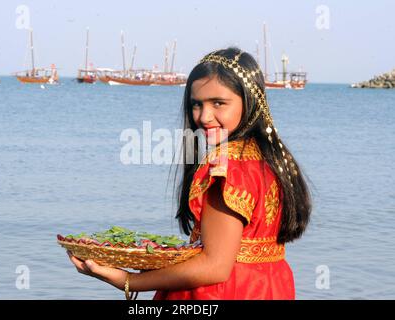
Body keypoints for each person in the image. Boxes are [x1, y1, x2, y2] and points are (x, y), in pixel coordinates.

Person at [67, 47, 312, 300]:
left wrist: (128, 280)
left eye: (219, 103)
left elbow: (215, 267)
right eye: (197, 104)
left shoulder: (226, 166)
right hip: (269, 286)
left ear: (249, 101)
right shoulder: (272, 157)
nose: (204, 117)